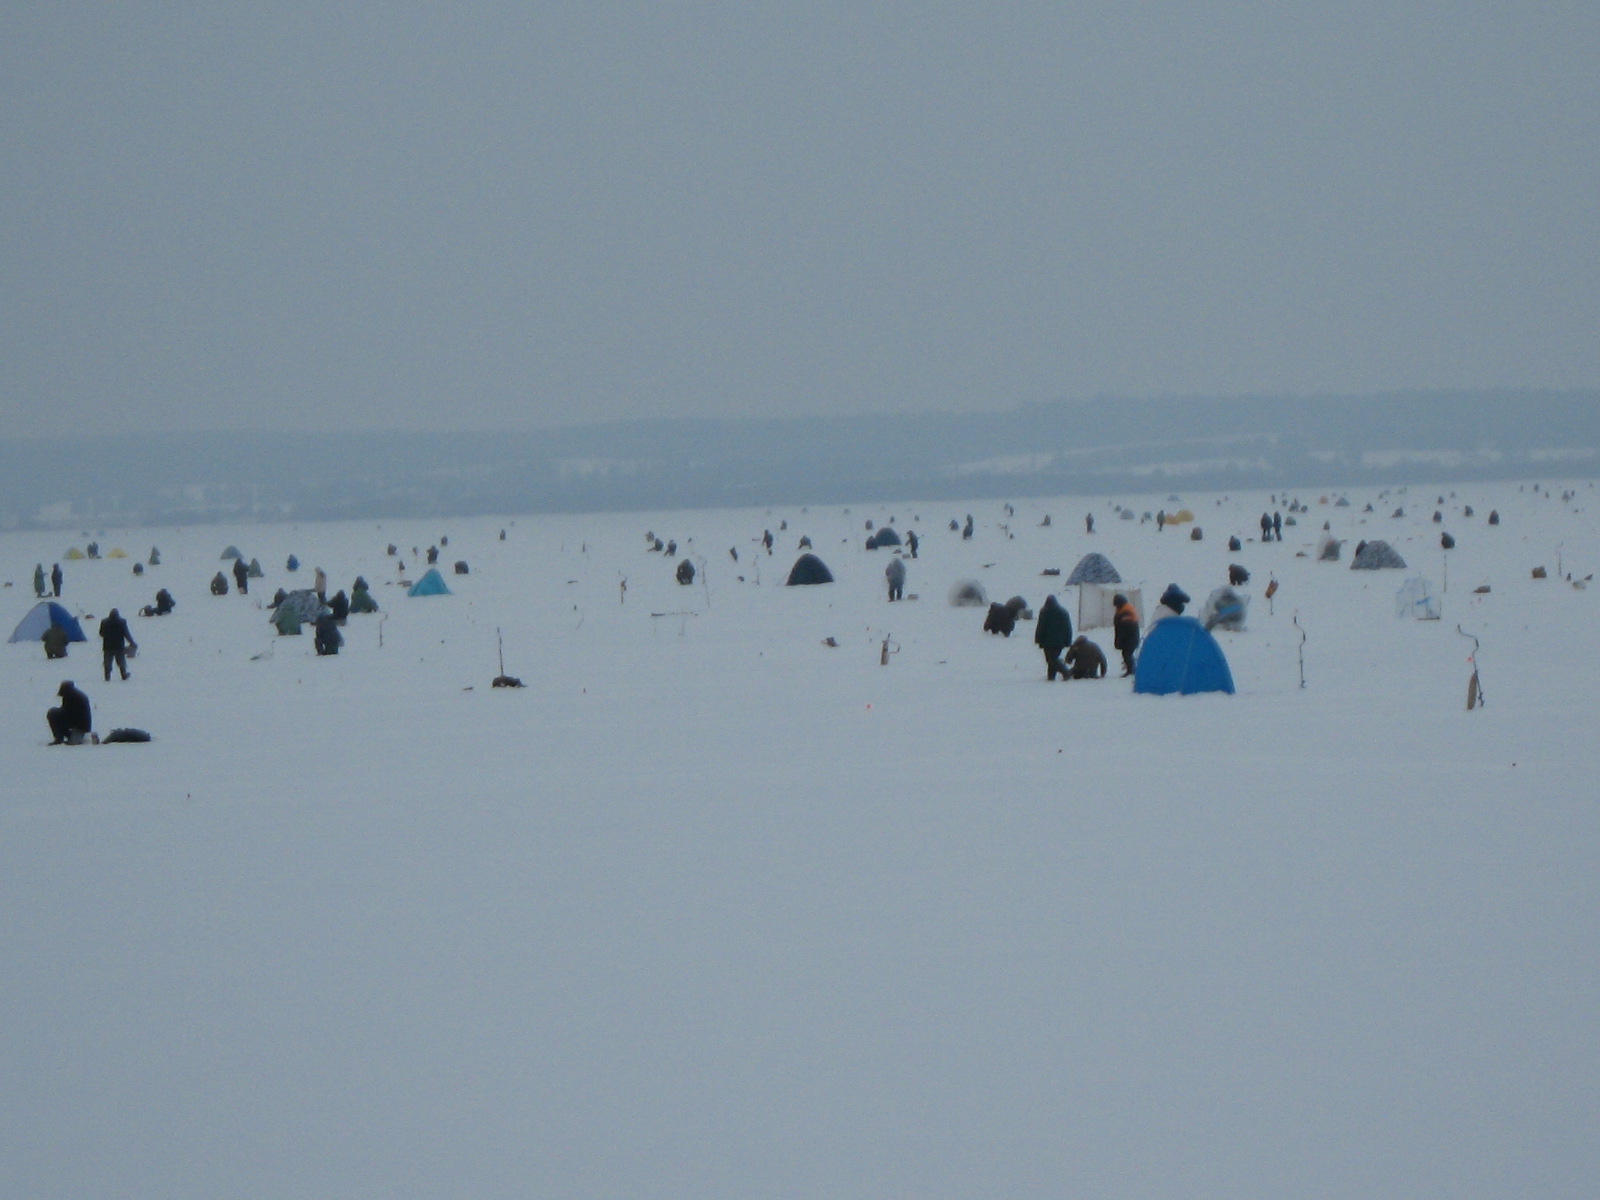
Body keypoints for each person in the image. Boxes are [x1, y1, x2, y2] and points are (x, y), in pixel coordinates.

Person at [1034, 593, 1073, 680]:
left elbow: (1041, 627)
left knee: (1051, 659)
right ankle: (1051, 676)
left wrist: (1038, 639)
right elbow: (1068, 628)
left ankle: (1065, 672)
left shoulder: (1044, 612)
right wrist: (1068, 640)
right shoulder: (1063, 612)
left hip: (1047, 642)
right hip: (1060, 642)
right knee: (1053, 658)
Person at [47, 680, 92, 744]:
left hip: (79, 726)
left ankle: (59, 738)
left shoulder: (72, 697)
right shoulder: (75, 695)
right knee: (55, 714)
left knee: (52, 714)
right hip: (81, 725)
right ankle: (67, 736)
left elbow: (68, 713)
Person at [99, 608, 138, 681]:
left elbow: (101, 633)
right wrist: (132, 642)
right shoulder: (122, 622)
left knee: (107, 662)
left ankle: (107, 677)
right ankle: (123, 675)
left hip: (107, 646)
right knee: (121, 662)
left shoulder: (104, 622)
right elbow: (126, 634)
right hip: (119, 646)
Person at [1112, 593, 1141, 677]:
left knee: (1127, 654)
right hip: (1130, 638)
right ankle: (1131, 669)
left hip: (1130, 638)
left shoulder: (1126, 612)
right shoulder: (1126, 609)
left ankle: (1131, 671)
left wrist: (1120, 640)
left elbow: (1125, 628)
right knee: (1127, 654)